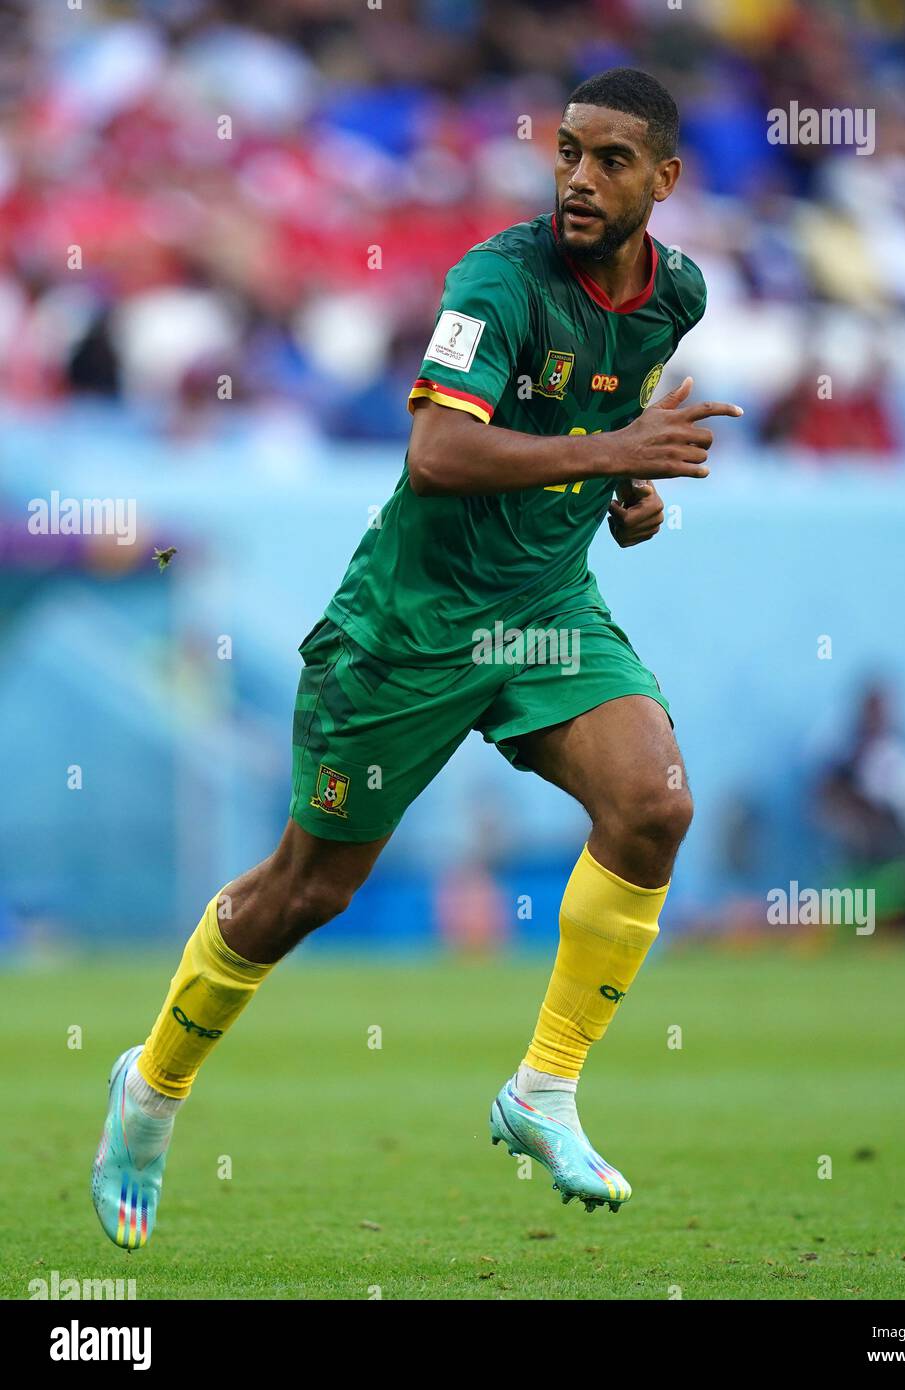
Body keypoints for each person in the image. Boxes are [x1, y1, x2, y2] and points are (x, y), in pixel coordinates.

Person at [91, 66, 742, 1247]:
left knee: (653, 806)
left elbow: (604, 412)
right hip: (409, 629)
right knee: (307, 890)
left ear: (665, 179)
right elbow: (440, 451)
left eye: (607, 161)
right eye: (565, 152)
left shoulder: (675, 293)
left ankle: (541, 1088)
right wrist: (610, 448)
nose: (578, 180)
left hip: (543, 611)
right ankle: (151, 1086)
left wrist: (626, 489)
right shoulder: (496, 282)